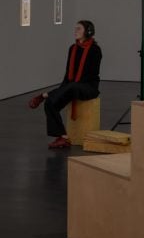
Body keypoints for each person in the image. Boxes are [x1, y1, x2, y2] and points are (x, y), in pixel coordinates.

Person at [28, 20, 102, 149]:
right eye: (75, 28)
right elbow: (68, 75)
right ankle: (62, 137)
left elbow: (91, 75)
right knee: (50, 103)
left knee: (72, 86)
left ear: (88, 32)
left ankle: (43, 95)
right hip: (72, 87)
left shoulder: (95, 50)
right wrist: (62, 89)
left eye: (79, 29)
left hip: (88, 87)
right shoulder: (72, 49)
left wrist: (67, 87)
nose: (75, 31)